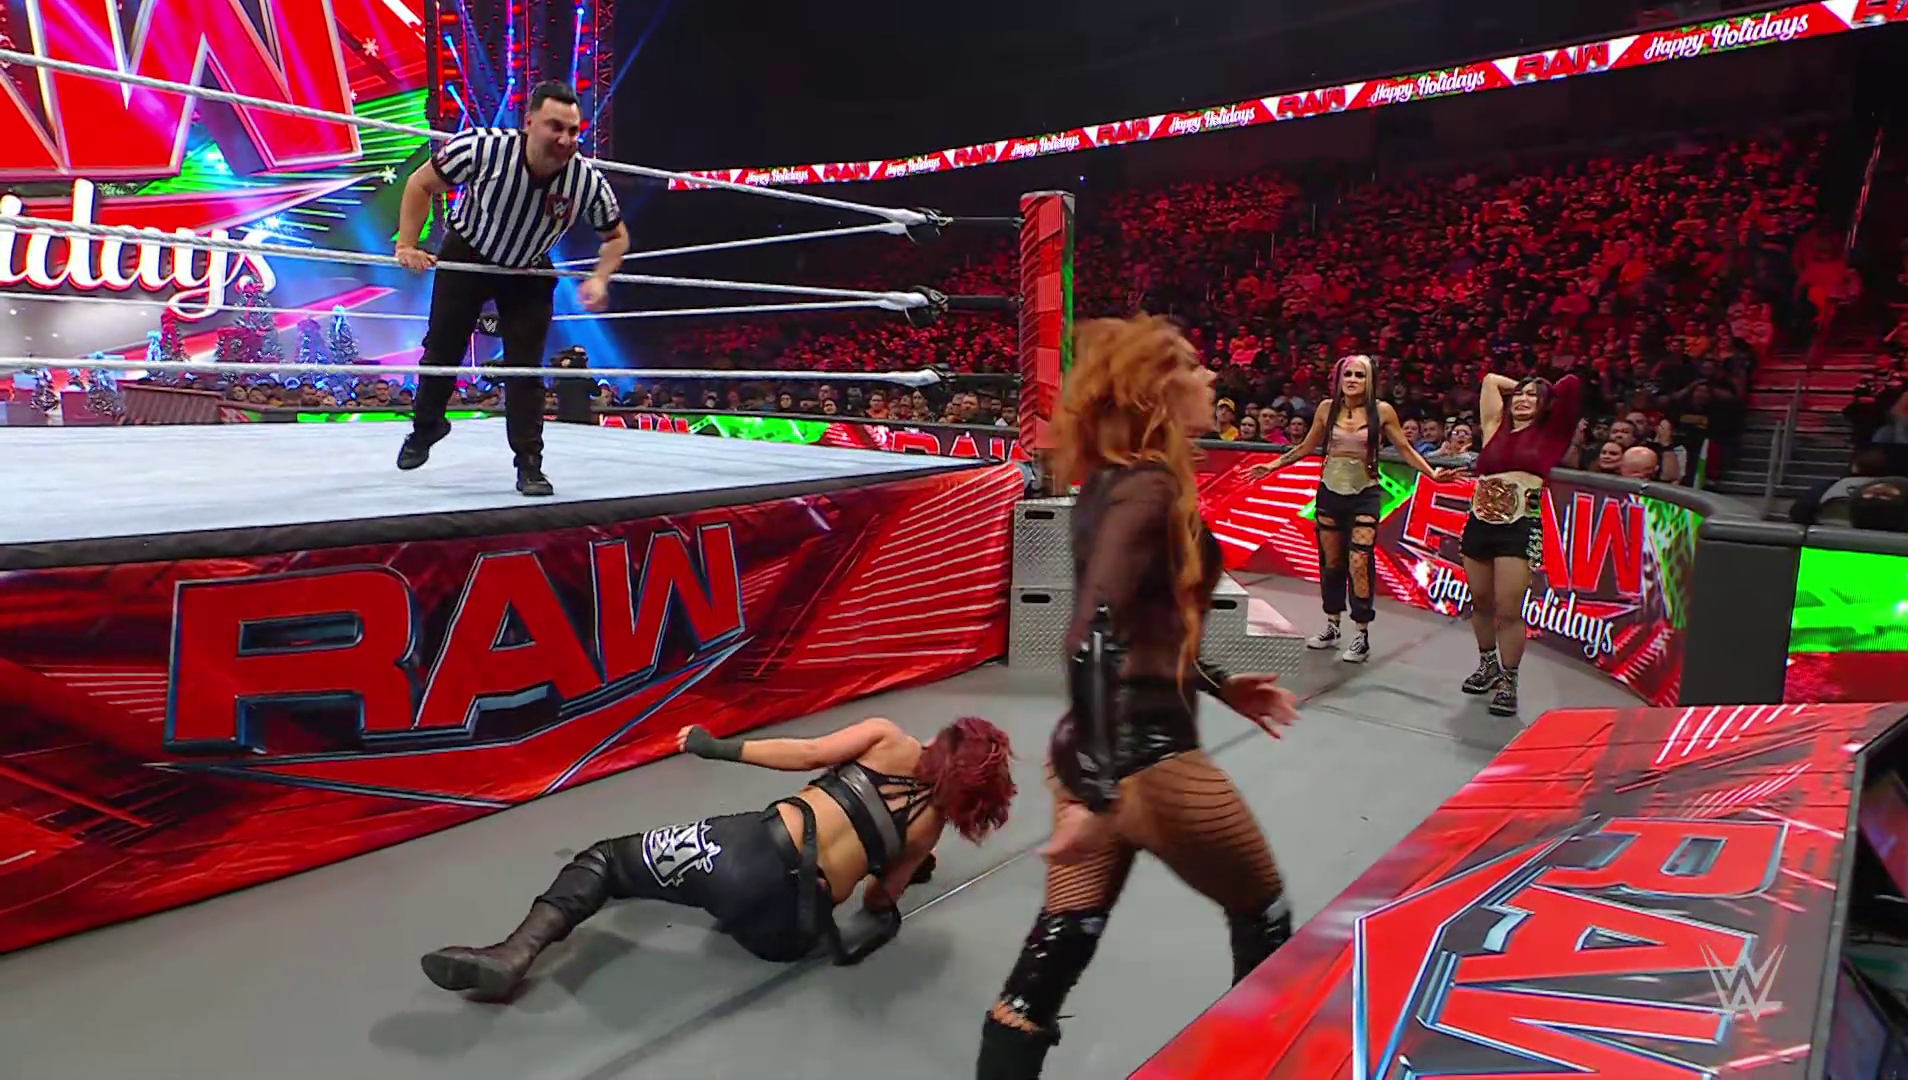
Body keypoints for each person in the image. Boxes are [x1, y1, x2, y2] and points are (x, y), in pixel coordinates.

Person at [976, 315, 1299, 1079]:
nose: (1211, 377)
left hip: (1095, 751)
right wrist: (1099, 790)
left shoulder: (1114, 483)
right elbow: (1093, 631)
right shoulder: (1149, 489)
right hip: (1144, 761)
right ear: (1154, 391)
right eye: (1192, 365)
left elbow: (1142, 621)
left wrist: (1220, 684)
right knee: (1267, 919)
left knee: (1054, 955)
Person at [420, 715, 1014, 1000]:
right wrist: (892, 870)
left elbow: (808, 752)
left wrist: (718, 748)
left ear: (944, 746)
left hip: (744, 859)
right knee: (727, 889)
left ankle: (514, 952)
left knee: (606, 862)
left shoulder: (890, 739)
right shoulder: (929, 830)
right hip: (786, 934)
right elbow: (880, 899)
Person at [392, 81, 630, 497]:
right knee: (442, 346)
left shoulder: (586, 181)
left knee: (525, 367)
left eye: (573, 131)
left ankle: (529, 463)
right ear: (529, 122)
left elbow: (616, 236)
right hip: (469, 251)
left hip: (528, 266)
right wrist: (407, 245)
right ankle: (426, 427)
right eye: (555, 126)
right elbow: (420, 183)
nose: (565, 139)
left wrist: (599, 276)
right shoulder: (482, 148)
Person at [1249, 355, 1459, 662]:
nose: (1352, 380)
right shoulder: (1326, 408)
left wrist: (1432, 474)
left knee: (1359, 560)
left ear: (1370, 380)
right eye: (1348, 374)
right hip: (1330, 491)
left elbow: (1404, 448)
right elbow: (1306, 446)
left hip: (1365, 492)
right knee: (1332, 562)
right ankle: (1332, 624)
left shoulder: (1382, 411)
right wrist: (1273, 466)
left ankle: (1361, 633)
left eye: (1359, 375)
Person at [1460, 372, 1582, 717]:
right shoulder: (1495, 426)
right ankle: (1487, 665)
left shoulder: (1550, 433)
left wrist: (1541, 391)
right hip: (1479, 521)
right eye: (1519, 394)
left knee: (1508, 607)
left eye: (1532, 396)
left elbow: (1571, 385)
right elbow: (1488, 381)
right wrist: (1526, 388)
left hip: (1520, 526)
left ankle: (1509, 680)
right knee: (1480, 600)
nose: (1524, 400)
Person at [551, 345, 595, 425]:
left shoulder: (585, 376)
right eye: (578, 354)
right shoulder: (563, 373)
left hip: (582, 418)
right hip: (566, 416)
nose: (581, 357)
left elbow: (596, 392)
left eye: (583, 355)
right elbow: (555, 388)